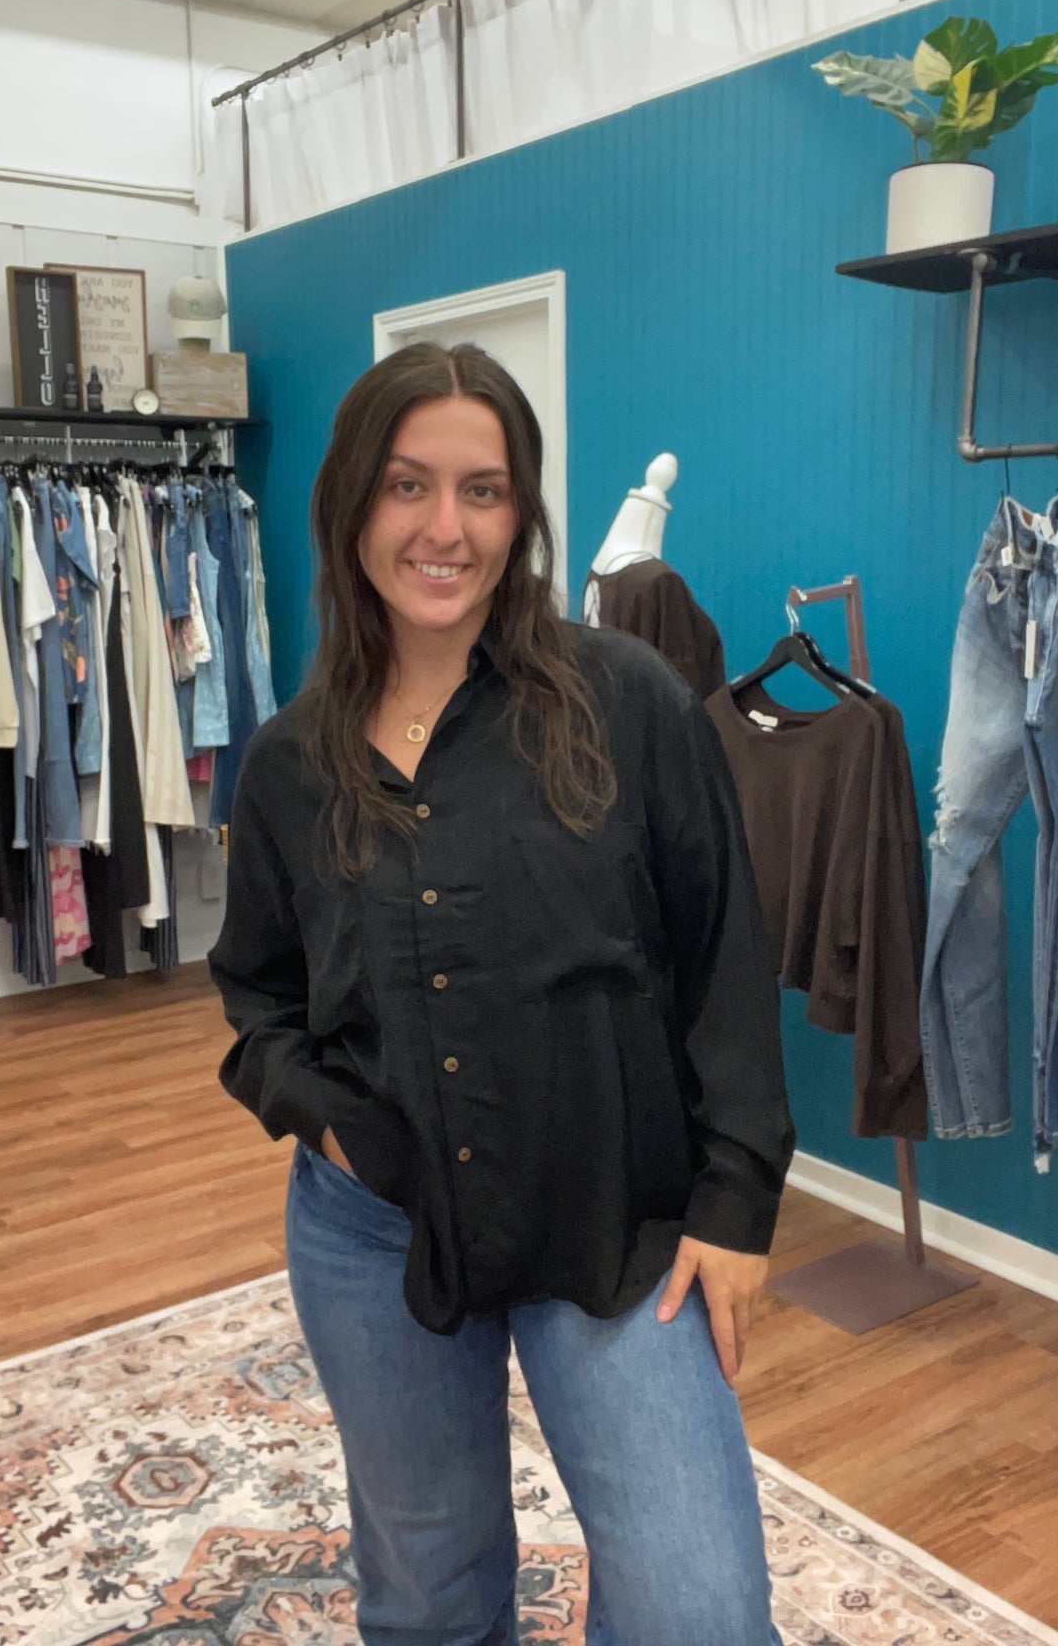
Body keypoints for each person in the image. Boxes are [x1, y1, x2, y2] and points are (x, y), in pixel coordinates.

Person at [209, 342, 794, 1646]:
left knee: (698, 1609)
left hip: (614, 1214)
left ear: (521, 509)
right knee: (427, 1593)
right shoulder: (290, 763)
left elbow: (725, 957)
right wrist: (328, 1123)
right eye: (407, 484)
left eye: (482, 490)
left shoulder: (627, 701)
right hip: (378, 1232)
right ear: (350, 502)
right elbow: (256, 992)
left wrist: (737, 1203)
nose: (445, 528)